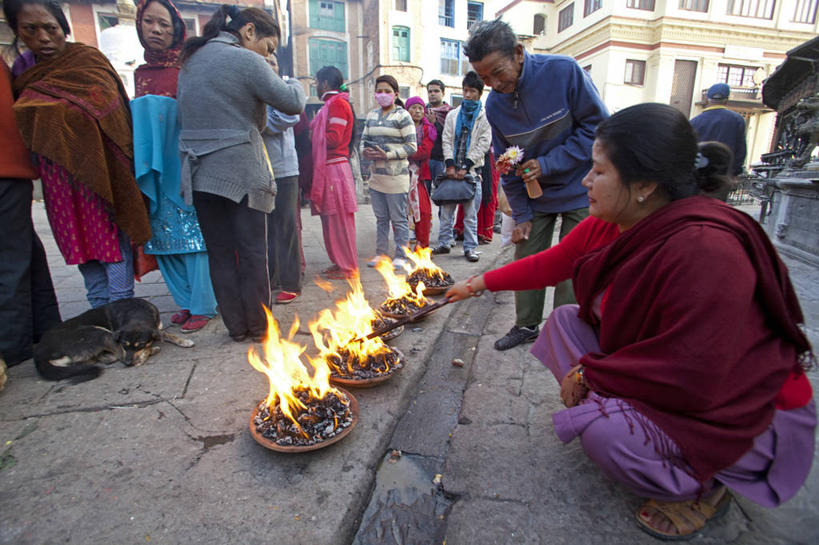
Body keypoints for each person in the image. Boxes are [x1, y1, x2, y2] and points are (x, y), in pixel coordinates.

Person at [446, 103, 816, 541]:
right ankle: (624, 414)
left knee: (604, 437)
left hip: (736, 411)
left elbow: (696, 370)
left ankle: (702, 484)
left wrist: (590, 371)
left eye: (599, 172)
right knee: (564, 321)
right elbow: (555, 262)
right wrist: (477, 284)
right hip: (666, 373)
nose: (586, 181)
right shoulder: (618, 220)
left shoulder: (707, 249)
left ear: (643, 185)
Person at [464, 19, 609, 350]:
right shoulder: (496, 105)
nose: (494, 84)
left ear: (518, 53)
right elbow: (506, 164)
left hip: (579, 188)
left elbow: (598, 128)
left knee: (575, 264)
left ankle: (566, 328)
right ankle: (526, 325)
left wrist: (549, 163)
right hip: (536, 197)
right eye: (484, 79)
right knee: (526, 255)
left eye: (498, 73)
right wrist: (522, 213)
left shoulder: (564, 72)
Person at [7, 0, 151, 309]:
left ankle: (123, 309)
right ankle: (99, 311)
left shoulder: (89, 62)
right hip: (58, 178)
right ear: (17, 32)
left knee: (111, 242)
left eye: (51, 28)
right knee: (79, 243)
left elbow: (114, 116)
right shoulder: (21, 70)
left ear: (64, 28)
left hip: (103, 170)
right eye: (31, 30)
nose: (43, 38)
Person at [177, 4, 306, 342]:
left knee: (219, 253)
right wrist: (290, 79)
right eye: (269, 48)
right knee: (252, 253)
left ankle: (236, 328)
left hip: (199, 172)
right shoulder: (246, 60)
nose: (268, 55)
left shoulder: (191, 61)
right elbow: (292, 101)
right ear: (249, 32)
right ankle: (261, 329)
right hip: (241, 171)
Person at [132, 0, 217, 333]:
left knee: (194, 238)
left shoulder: (190, 69)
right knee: (162, 237)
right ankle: (184, 301)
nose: (156, 30)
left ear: (177, 29)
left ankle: (203, 304)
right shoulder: (140, 75)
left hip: (184, 165)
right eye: (150, 22)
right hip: (149, 168)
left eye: (164, 24)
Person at [0, 56, 61, 367]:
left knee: (13, 258)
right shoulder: (16, 68)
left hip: (10, 169)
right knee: (19, 254)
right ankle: (42, 332)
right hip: (19, 168)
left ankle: (13, 349)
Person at [432, 71, 492, 262]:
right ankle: (444, 243)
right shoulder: (453, 115)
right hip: (451, 171)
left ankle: (470, 247)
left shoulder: (485, 117)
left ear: (479, 93)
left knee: (470, 214)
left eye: (472, 91)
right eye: (465, 90)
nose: (467, 95)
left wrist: (466, 165)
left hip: (472, 172)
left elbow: (484, 143)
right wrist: (449, 164)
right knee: (446, 211)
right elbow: (447, 139)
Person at [360, 74, 417, 270]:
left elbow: (411, 146)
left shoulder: (403, 116)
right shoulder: (371, 115)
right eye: (379, 91)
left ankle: (401, 254)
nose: (382, 94)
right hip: (376, 177)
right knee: (381, 219)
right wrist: (365, 151)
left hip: (396, 177)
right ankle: (381, 254)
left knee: (399, 219)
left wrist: (389, 155)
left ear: (395, 94)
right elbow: (362, 141)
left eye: (387, 91)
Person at [310, 65, 359, 280]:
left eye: (316, 83)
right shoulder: (332, 104)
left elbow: (334, 138)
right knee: (330, 218)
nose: (315, 87)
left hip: (335, 169)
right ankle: (339, 262)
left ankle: (348, 266)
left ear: (325, 84)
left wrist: (312, 134)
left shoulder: (337, 104)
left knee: (339, 219)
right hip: (330, 169)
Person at [264, 54, 304, 303]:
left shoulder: (288, 88)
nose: (269, 65)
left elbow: (289, 117)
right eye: (263, 60)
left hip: (285, 170)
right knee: (264, 230)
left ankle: (291, 283)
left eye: (273, 61)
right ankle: (270, 279)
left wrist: (259, 121)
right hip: (258, 170)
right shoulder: (251, 89)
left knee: (287, 227)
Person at [690, 83, 747, 177]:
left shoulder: (695, 121)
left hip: (699, 174)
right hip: (724, 175)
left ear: (707, 100)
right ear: (727, 100)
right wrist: (735, 172)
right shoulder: (737, 119)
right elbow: (741, 151)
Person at [405, 96, 436, 249]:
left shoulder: (428, 130)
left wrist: (404, 152)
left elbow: (424, 151)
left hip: (419, 176)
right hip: (400, 174)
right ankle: (404, 247)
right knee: (402, 213)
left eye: (420, 108)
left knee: (423, 211)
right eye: (413, 107)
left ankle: (422, 245)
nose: (417, 111)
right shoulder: (400, 127)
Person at [425, 79, 451, 187]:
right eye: (430, 92)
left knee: (442, 194)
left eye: (436, 91)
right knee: (424, 194)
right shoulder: (422, 111)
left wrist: (434, 123)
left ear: (443, 93)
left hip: (441, 159)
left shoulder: (450, 113)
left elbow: (449, 135)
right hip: (424, 159)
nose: (432, 94)